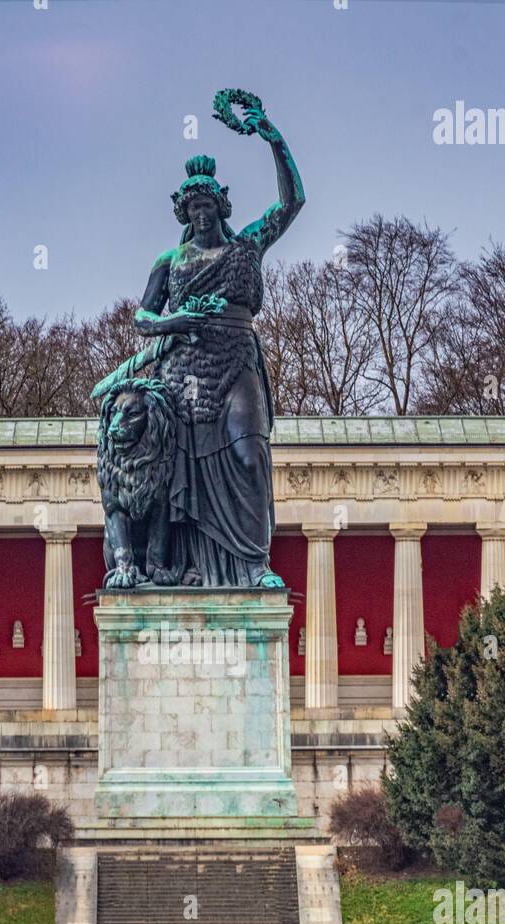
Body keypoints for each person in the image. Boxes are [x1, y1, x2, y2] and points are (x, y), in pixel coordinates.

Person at [133, 112, 305, 587]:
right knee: (177, 473)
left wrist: (274, 138)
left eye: (208, 205)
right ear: (184, 213)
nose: (201, 214)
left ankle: (254, 564)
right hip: (183, 369)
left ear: (221, 207)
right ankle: (188, 565)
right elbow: (142, 317)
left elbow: (292, 202)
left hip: (236, 359)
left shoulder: (247, 245)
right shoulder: (170, 262)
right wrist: (175, 321)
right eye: (194, 209)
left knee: (250, 456)